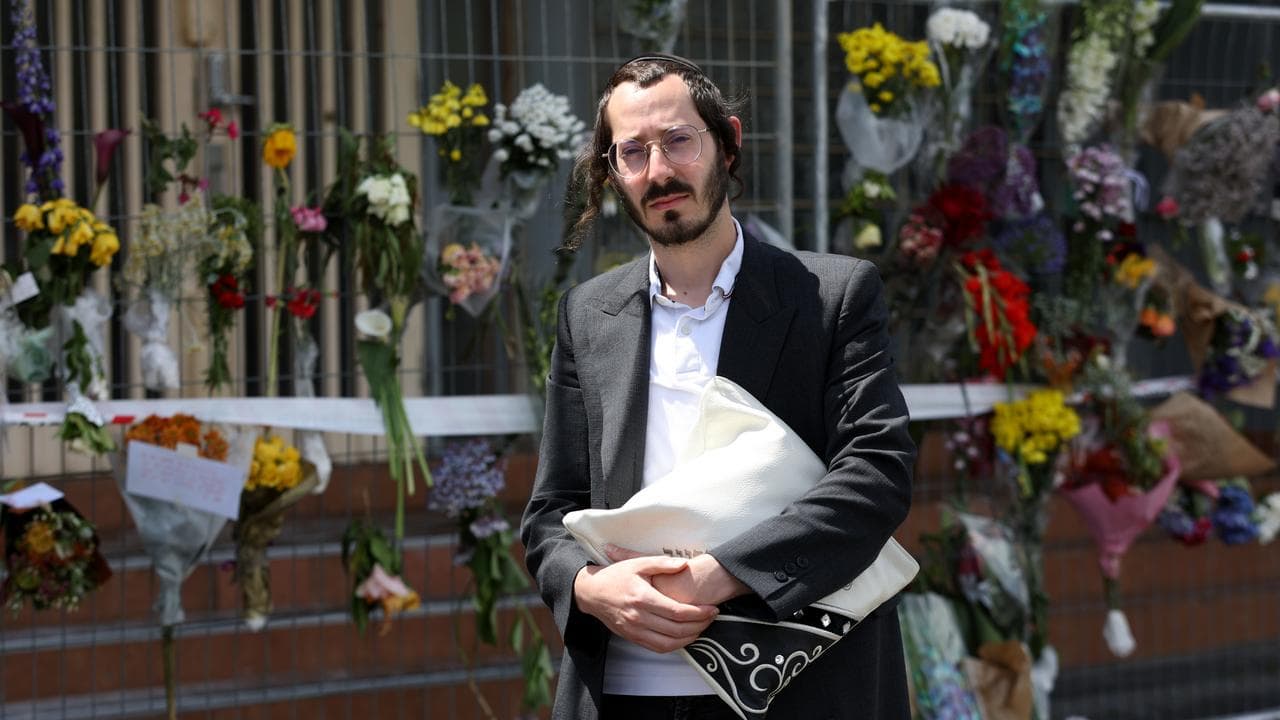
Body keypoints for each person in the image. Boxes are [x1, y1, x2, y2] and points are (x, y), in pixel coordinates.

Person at [520, 54, 917, 720]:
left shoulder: (830, 297)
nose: (660, 171)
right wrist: (592, 588)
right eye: (633, 152)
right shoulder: (588, 314)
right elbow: (550, 512)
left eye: (680, 140)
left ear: (727, 143)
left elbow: (876, 477)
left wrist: (719, 573)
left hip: (796, 688)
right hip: (624, 691)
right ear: (612, 173)